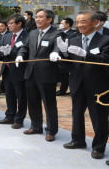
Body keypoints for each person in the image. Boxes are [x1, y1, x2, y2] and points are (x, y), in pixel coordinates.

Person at [58, 11, 109, 160]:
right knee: (77, 113)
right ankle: (78, 140)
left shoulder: (105, 40)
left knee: (99, 118)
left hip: (98, 86)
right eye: (78, 22)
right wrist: (61, 55)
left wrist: (86, 54)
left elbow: (105, 61)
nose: (80, 25)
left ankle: (99, 147)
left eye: (84, 21)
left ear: (94, 23)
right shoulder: (73, 40)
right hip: (77, 83)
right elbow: (68, 65)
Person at [16, 9, 60, 142]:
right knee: (33, 101)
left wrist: (56, 52)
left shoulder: (57, 33)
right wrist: (20, 55)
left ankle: (51, 131)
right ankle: (36, 126)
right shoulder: (33, 32)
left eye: (41, 17)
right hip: (31, 73)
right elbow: (26, 47)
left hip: (47, 74)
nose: (37, 19)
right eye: (37, 17)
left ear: (49, 19)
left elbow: (59, 47)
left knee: (49, 104)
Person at [0, 14, 29, 129]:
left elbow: (25, 52)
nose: (8, 26)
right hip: (7, 69)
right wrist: (2, 53)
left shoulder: (27, 36)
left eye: (11, 23)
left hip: (19, 70)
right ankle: (9, 115)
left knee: (21, 96)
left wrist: (11, 53)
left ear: (19, 24)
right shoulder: (6, 36)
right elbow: (0, 49)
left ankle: (19, 119)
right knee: (9, 94)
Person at [56, 17, 76, 96]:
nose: (60, 25)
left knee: (66, 75)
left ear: (68, 24)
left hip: (68, 58)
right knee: (63, 75)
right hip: (60, 57)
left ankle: (66, 90)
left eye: (62, 23)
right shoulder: (60, 32)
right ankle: (62, 90)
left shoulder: (72, 34)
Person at [0, 20, 9, 94]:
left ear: (6, 27)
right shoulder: (0, 35)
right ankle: (3, 89)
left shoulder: (8, 35)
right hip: (3, 58)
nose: (0, 27)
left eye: (2, 26)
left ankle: (4, 89)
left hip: (8, 59)